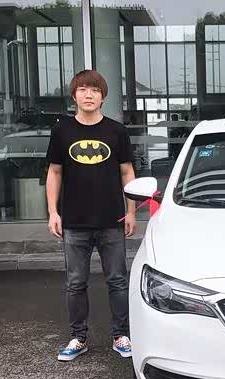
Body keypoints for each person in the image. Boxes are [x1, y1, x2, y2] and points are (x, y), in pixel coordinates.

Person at [45, 69, 135, 361]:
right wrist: (53, 212)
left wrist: (131, 210)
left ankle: (121, 335)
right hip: (74, 221)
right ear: (74, 95)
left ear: (103, 97)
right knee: (75, 283)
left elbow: (127, 172)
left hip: (112, 220)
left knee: (118, 281)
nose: (89, 95)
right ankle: (78, 338)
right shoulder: (62, 131)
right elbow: (54, 172)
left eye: (95, 90)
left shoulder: (116, 131)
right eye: (83, 89)